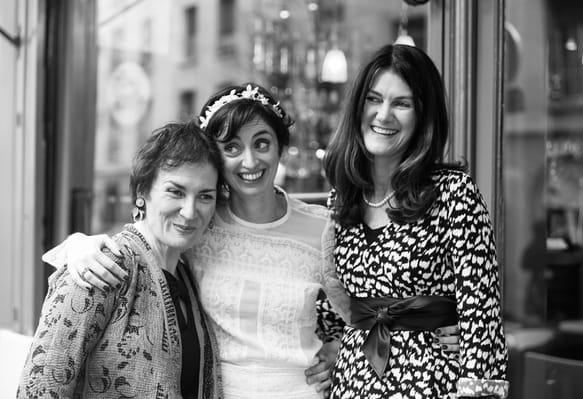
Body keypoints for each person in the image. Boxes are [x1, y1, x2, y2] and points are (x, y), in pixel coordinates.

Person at [43, 83, 460, 398]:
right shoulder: (200, 223)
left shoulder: (324, 226)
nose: (250, 161)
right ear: (215, 158)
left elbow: (361, 310)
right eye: (232, 147)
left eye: (262, 144)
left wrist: (425, 324)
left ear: (280, 149)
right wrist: (78, 245)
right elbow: (143, 241)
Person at [323, 43, 509, 398]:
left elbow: (481, 313)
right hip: (352, 383)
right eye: (374, 99)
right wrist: (325, 348)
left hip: (430, 384)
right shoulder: (341, 199)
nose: (384, 115)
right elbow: (331, 308)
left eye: (402, 103)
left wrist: (479, 385)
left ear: (424, 116)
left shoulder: (454, 193)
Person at [18, 121, 224, 398]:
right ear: (142, 193)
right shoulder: (100, 265)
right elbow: (40, 388)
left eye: (205, 196)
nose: (189, 211)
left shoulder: (189, 278)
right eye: (175, 191)